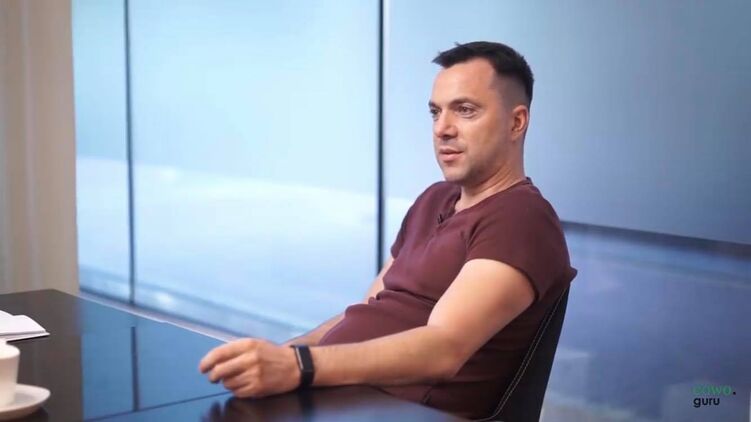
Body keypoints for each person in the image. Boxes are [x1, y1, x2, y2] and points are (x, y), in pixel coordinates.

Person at [199, 41, 576, 419]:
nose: (442, 129)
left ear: (516, 122)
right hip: (343, 399)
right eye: (435, 112)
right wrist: (283, 356)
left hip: (397, 411)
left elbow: (443, 348)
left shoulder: (521, 218)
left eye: (465, 110)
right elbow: (366, 311)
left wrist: (300, 366)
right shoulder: (434, 199)